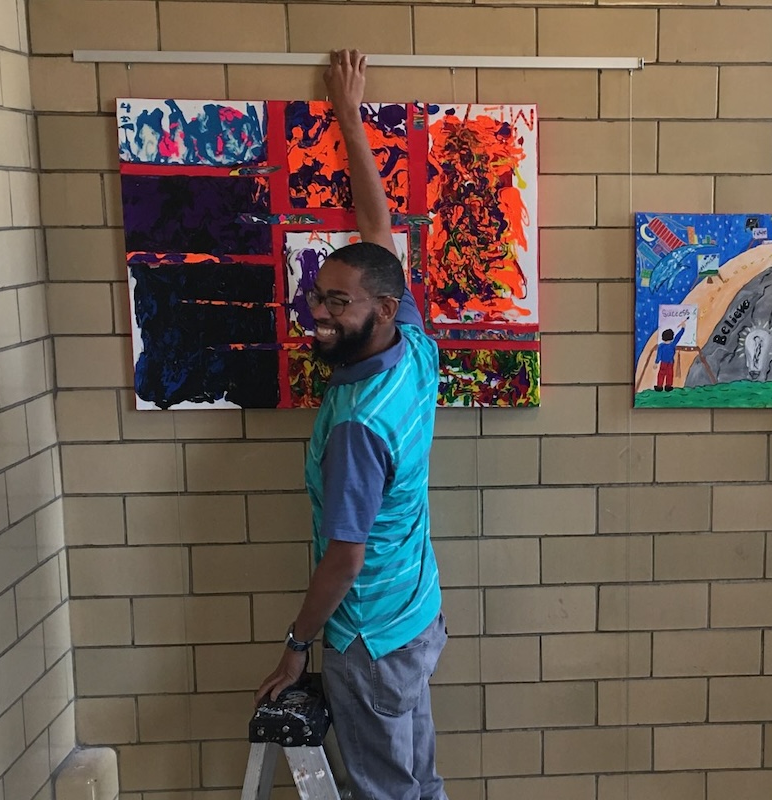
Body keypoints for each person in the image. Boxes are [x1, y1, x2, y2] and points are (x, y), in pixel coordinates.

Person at [256, 49, 447, 800]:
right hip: (416, 614)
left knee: (383, 791)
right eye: (320, 296)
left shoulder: (358, 429)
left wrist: (298, 645)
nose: (320, 312)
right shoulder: (414, 347)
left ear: (379, 307)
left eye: (338, 302)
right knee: (415, 779)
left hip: (367, 638)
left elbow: (343, 557)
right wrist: (349, 116)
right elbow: (377, 228)